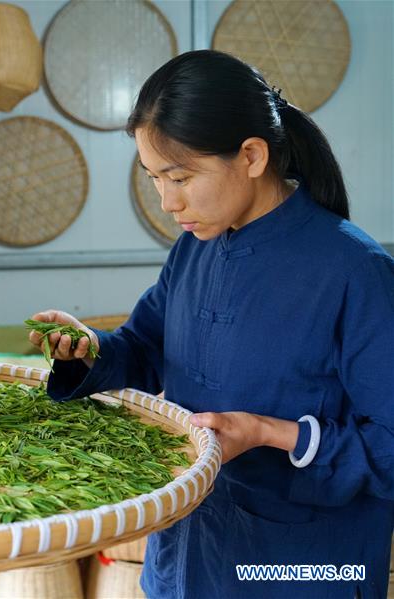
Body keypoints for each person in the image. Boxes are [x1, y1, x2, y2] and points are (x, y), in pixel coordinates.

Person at [28, 50, 394, 598]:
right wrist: (87, 349)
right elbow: (146, 347)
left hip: (297, 568)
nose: (166, 201)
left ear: (251, 156)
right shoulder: (194, 249)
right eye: (155, 178)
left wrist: (271, 433)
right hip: (185, 553)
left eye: (179, 177)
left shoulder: (355, 271)